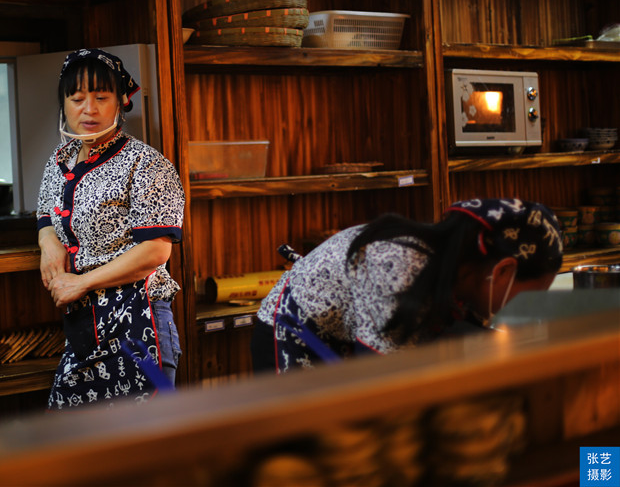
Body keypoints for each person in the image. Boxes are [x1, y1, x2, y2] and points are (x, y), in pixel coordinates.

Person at [252, 198, 563, 374]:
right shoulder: (398, 267)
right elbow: (385, 386)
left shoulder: (468, 277)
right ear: (503, 271)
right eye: (533, 295)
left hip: (356, 343)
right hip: (298, 333)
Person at [37, 48, 185, 409]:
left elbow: (156, 250)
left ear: (121, 101)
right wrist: (48, 242)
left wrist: (81, 282)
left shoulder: (147, 163)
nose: (89, 109)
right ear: (64, 103)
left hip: (139, 323)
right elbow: (45, 214)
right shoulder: (58, 162)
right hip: (83, 328)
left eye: (101, 97)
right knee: (74, 446)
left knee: (139, 449)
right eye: (77, 98)